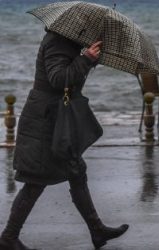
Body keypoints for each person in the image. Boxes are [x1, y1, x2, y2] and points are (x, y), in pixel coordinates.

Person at [0, 30, 129, 250]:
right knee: (35, 181)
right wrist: (85, 58)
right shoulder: (58, 41)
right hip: (45, 121)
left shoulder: (67, 40)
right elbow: (58, 79)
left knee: (76, 170)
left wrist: (90, 59)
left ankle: (96, 230)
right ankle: (8, 238)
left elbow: (70, 76)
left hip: (55, 119)